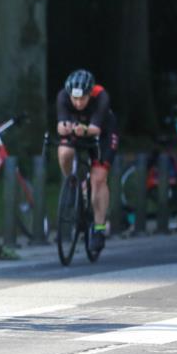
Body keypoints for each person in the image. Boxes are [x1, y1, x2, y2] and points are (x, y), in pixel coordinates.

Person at [55, 69, 119, 253]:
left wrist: (81, 130)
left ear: (90, 93)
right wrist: (64, 127)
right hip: (78, 129)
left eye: (82, 99)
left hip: (103, 133)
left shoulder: (101, 96)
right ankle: (72, 184)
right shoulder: (63, 96)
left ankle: (99, 228)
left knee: (98, 179)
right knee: (64, 151)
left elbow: (95, 129)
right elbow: (60, 125)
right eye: (74, 99)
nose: (78, 103)